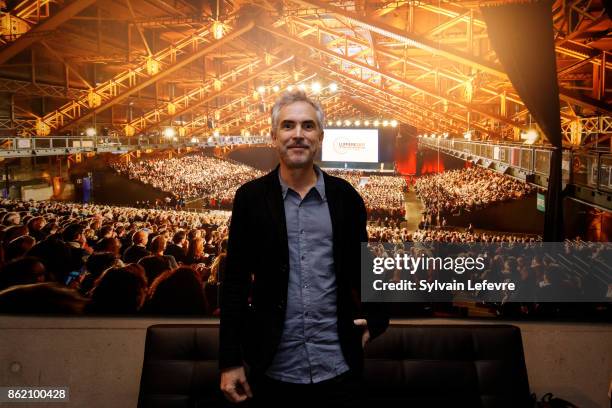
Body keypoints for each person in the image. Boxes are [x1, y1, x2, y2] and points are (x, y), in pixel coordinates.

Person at [219, 90, 388, 407]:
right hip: (271, 367)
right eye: (288, 126)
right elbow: (235, 283)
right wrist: (229, 360)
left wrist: (378, 319)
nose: (298, 134)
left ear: (320, 136)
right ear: (274, 135)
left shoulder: (346, 197)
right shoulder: (251, 198)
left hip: (338, 367)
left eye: (308, 126)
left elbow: (363, 267)